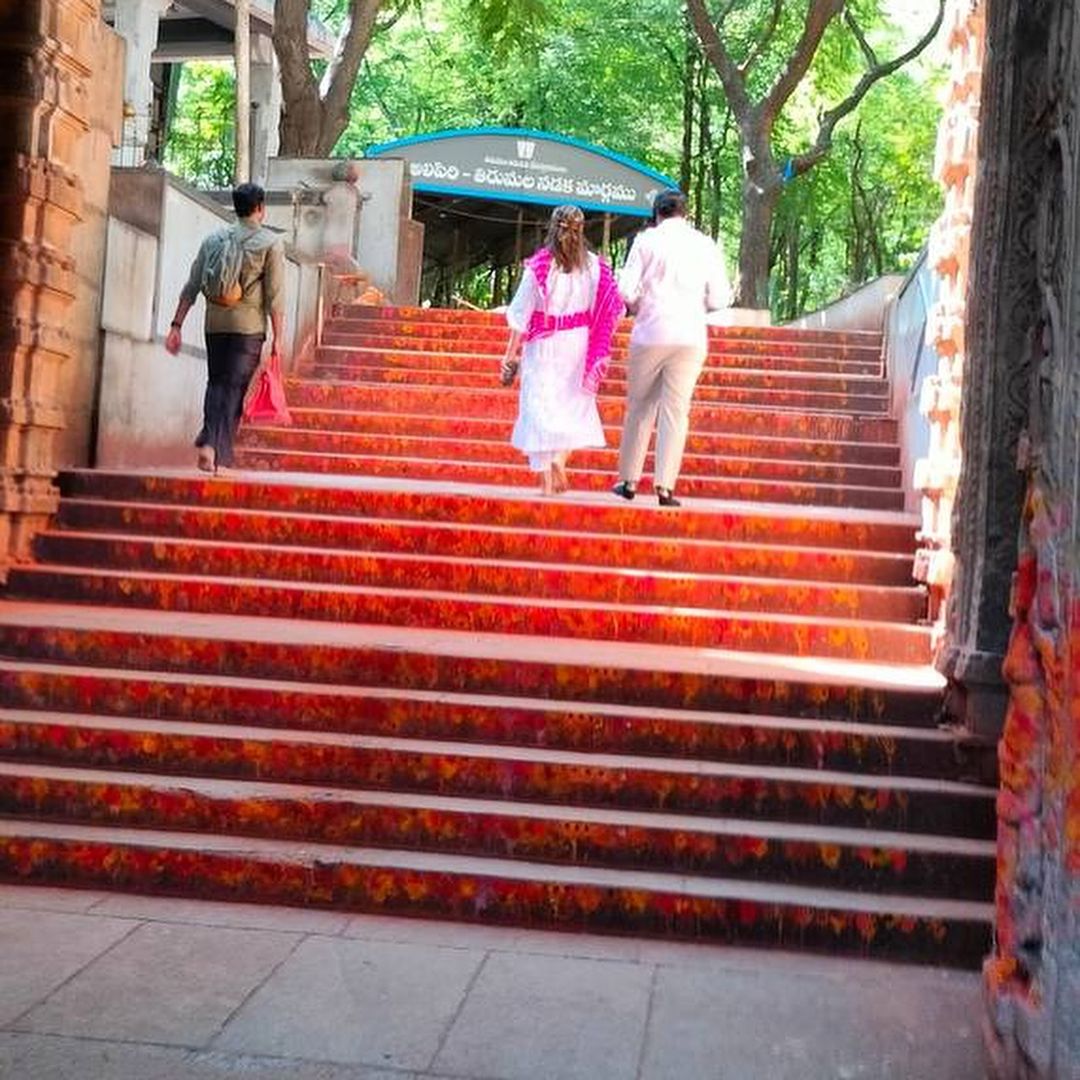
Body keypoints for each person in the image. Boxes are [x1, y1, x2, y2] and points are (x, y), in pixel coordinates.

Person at [613, 190, 730, 507]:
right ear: (685, 214)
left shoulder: (646, 241)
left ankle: (629, 481)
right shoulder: (705, 245)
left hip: (650, 332)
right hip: (690, 335)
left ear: (657, 214)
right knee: (676, 411)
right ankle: (665, 487)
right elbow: (721, 298)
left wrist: (639, 305)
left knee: (640, 406)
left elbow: (625, 289)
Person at [501, 204, 624, 496]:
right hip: (578, 342)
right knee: (573, 405)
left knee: (539, 406)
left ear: (552, 228)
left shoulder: (540, 266)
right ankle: (559, 458)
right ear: (582, 230)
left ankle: (545, 484)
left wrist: (509, 355)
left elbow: (519, 314)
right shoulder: (596, 266)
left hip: (544, 340)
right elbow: (614, 309)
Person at [165, 182, 285, 473]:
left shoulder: (213, 240)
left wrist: (176, 325)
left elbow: (192, 286)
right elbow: (275, 295)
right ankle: (212, 446)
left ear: (236, 207)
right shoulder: (269, 243)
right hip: (248, 328)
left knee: (216, 383)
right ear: (260, 209)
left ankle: (216, 448)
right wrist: (278, 337)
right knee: (233, 387)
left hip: (215, 325)